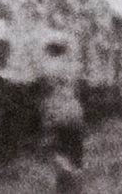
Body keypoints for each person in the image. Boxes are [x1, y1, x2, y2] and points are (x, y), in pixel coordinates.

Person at [40, 36, 85, 193]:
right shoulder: (73, 67)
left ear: (51, 49)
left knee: (55, 150)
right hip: (75, 111)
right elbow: (78, 91)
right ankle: (75, 182)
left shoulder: (49, 67)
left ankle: (67, 179)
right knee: (74, 153)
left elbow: (47, 92)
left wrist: (46, 117)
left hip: (57, 111)